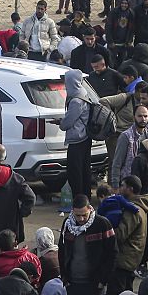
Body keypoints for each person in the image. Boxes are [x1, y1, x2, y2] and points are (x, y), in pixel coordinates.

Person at [59, 193, 117, 295]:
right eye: (78, 215)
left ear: (90, 209)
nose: (81, 219)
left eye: (84, 215)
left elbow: (112, 254)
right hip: (73, 285)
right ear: (72, 211)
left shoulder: (102, 224)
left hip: (94, 286)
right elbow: (62, 251)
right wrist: (65, 278)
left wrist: (102, 280)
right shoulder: (67, 224)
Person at [60, 69, 94, 198]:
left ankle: (78, 198)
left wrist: (61, 124)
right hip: (85, 136)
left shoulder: (76, 101)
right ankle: (86, 196)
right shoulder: (83, 93)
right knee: (85, 168)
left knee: (75, 171)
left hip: (77, 138)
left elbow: (68, 123)